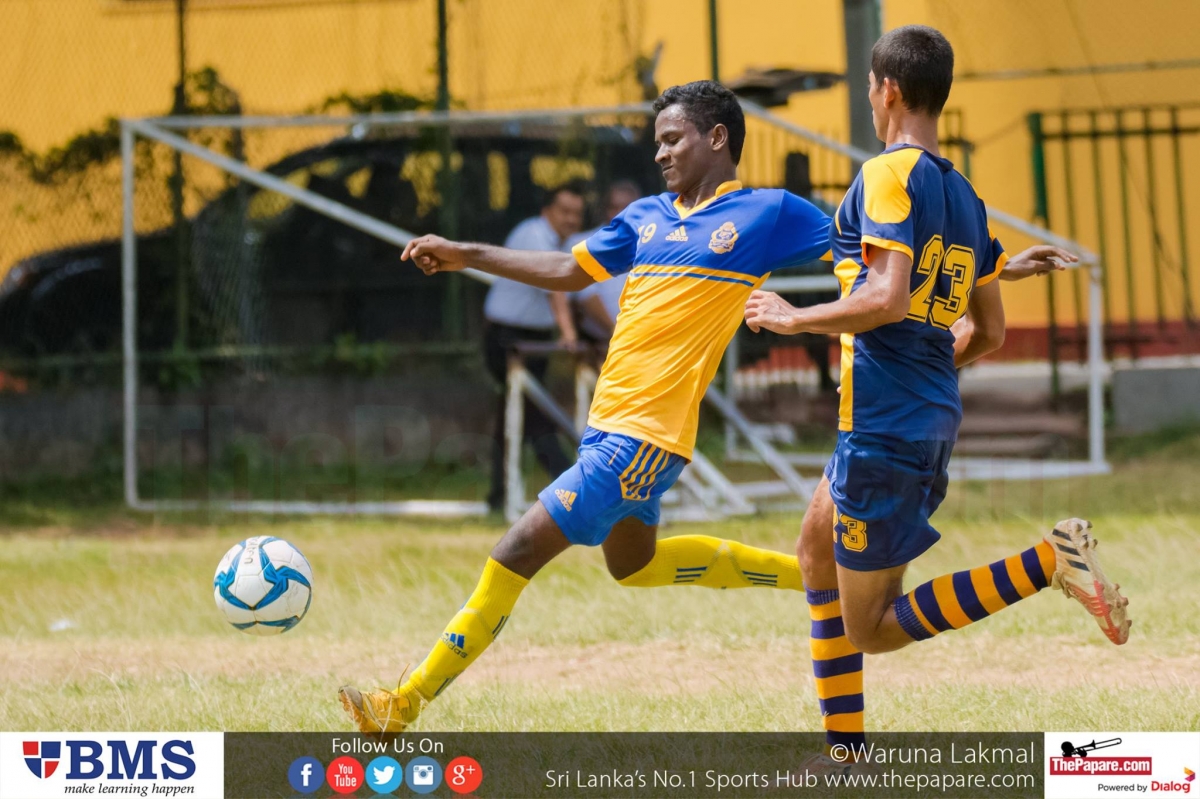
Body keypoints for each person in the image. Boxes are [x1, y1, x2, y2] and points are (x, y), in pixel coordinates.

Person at [338, 81, 835, 733]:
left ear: (717, 138)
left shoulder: (768, 213)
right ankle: (818, 576)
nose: (659, 153)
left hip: (642, 438)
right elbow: (569, 269)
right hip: (610, 430)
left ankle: (400, 704)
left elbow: (861, 247)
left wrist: (825, 317)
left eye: (672, 140)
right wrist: (466, 254)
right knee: (635, 565)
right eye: (657, 142)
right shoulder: (647, 217)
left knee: (515, 550)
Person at [743, 25, 1130, 765]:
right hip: (912, 416)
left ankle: (1047, 562)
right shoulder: (964, 195)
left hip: (884, 428)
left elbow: (888, 296)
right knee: (815, 550)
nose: (869, 97)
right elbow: (988, 330)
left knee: (870, 629)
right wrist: (980, 297)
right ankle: (846, 754)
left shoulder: (887, 176)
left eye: (869, 86)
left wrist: (795, 317)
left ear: (888, 89)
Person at [481, 184, 584, 511]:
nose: (571, 219)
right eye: (564, 211)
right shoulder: (534, 234)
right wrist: (569, 333)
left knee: (517, 416)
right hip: (507, 338)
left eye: (577, 213)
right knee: (536, 416)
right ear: (547, 211)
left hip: (533, 340)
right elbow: (555, 286)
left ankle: (501, 494)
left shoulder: (565, 243)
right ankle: (571, 488)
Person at [569, 181, 642, 343]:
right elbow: (586, 295)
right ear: (604, 209)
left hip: (641, 341)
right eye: (613, 207)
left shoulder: (651, 245)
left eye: (625, 208)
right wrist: (615, 331)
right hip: (595, 344)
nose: (619, 214)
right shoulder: (583, 243)